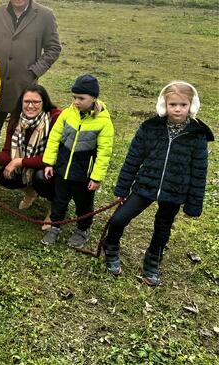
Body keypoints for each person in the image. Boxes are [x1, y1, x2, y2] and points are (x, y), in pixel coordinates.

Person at [103, 81, 213, 286]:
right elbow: (133, 159)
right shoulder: (150, 128)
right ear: (164, 105)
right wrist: (122, 188)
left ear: (192, 106)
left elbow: (199, 172)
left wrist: (193, 205)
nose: (178, 109)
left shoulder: (197, 135)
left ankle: (153, 260)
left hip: (175, 190)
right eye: (173, 104)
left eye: (183, 104)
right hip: (146, 184)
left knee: (163, 229)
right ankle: (110, 247)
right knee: (119, 219)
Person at [0, 0, 62, 178]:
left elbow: (53, 48)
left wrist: (34, 70)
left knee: (20, 128)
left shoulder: (45, 15)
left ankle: (20, 164)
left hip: (23, 86)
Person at [41, 75, 114, 248]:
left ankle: (82, 230)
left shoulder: (103, 122)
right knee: (59, 200)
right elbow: (54, 139)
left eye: (81, 98)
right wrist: (49, 163)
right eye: (74, 97)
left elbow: (104, 153)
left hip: (84, 175)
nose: (76, 102)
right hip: (62, 170)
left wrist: (96, 178)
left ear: (94, 98)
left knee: (84, 204)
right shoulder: (67, 114)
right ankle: (55, 226)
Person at [0, 85, 61, 229]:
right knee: (4, 175)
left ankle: (55, 207)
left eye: (36, 102)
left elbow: (54, 157)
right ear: (21, 102)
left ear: (44, 102)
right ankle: (31, 193)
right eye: (26, 102)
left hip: (51, 167)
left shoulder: (55, 118)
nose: (30, 106)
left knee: (41, 178)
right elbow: (8, 154)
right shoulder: (16, 119)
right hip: (27, 166)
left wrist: (20, 161)